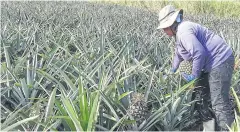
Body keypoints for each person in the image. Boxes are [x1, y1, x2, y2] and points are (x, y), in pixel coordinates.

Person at [157, 5, 235, 131]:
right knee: (200, 95)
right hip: (210, 63)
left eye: (165, 28)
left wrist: (194, 75)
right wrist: (172, 70)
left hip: (220, 61)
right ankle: (209, 129)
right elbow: (178, 54)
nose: (164, 31)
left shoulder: (183, 31)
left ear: (172, 24)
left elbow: (199, 53)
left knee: (219, 103)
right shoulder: (179, 33)